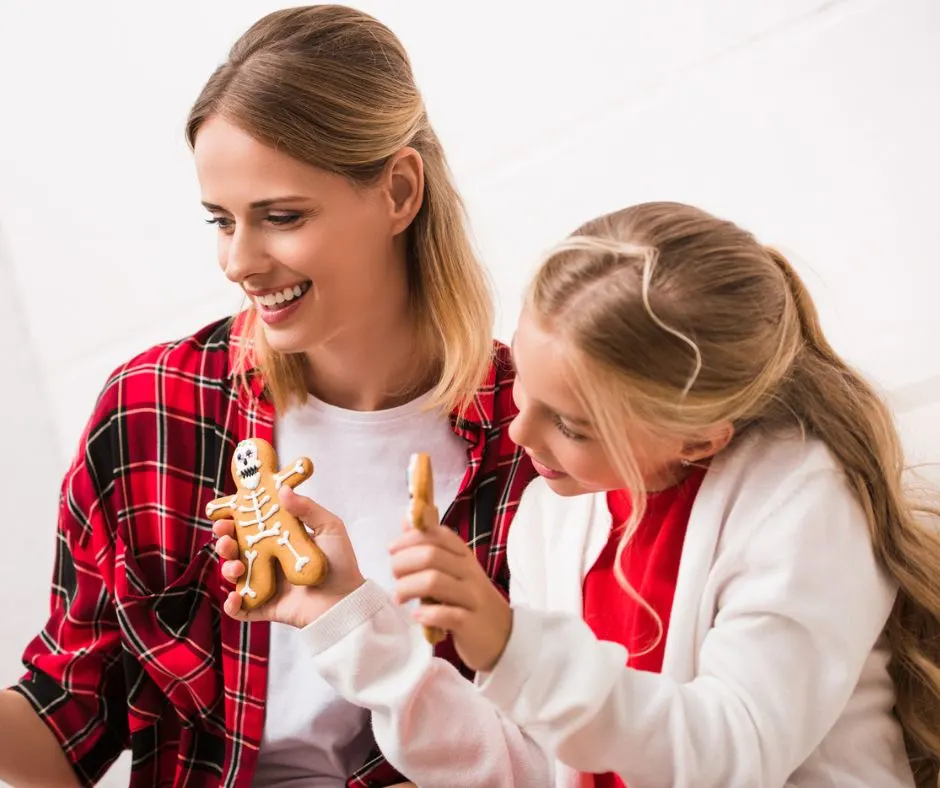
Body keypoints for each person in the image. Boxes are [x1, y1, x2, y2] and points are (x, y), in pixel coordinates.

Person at [216, 201, 940, 787]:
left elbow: (730, 757)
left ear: (700, 439)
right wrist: (350, 620)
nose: (520, 428)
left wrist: (510, 645)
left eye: (572, 423)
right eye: (525, 381)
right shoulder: (555, 518)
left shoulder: (800, 506)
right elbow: (523, 772)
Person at [0, 5, 539, 787]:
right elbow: (68, 715)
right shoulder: (155, 411)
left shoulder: (538, 441)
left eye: (281, 217)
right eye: (221, 221)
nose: (240, 261)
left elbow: (564, 748)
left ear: (397, 191)